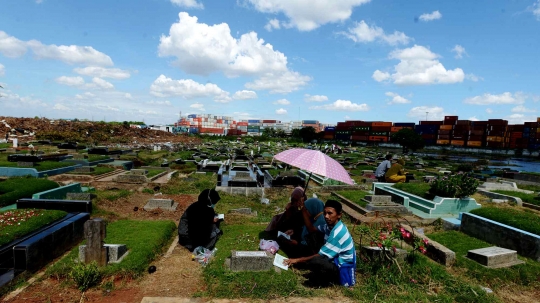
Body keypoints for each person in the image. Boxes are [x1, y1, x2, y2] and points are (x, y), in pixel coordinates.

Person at [284, 200, 356, 287]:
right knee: (312, 238)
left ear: (339, 215)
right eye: (325, 213)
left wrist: (296, 260)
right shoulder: (329, 226)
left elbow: (320, 255)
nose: (326, 216)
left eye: (330, 213)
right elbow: (312, 230)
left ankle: (326, 281)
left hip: (341, 268)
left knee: (315, 261)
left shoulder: (338, 233)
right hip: (334, 260)